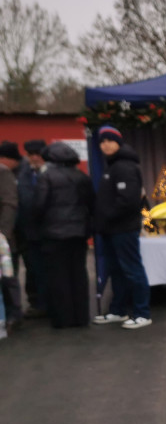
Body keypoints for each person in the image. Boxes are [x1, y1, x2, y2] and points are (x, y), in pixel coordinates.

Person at [92, 125, 152, 329]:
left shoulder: (125, 166)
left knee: (133, 269)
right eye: (102, 141)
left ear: (119, 142)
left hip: (124, 229)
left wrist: (105, 217)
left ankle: (142, 313)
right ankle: (118, 310)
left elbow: (128, 201)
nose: (105, 144)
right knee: (116, 270)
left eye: (109, 140)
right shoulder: (112, 165)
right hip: (111, 230)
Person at [34, 142, 94, 328]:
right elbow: (91, 203)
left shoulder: (47, 177)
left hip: (54, 235)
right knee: (78, 274)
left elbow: (39, 206)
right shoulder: (82, 177)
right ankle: (81, 317)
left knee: (58, 277)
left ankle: (63, 319)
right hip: (78, 233)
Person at [19, 139, 49, 318]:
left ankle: (51, 303)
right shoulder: (24, 174)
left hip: (50, 231)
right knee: (33, 270)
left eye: (38, 154)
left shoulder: (52, 172)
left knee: (50, 270)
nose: (35, 157)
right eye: (31, 154)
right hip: (29, 232)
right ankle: (37, 304)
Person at [0, 140, 23, 329]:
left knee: (8, 277)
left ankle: (13, 315)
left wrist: (3, 234)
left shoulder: (3, 172)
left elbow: (10, 204)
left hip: (2, 239)